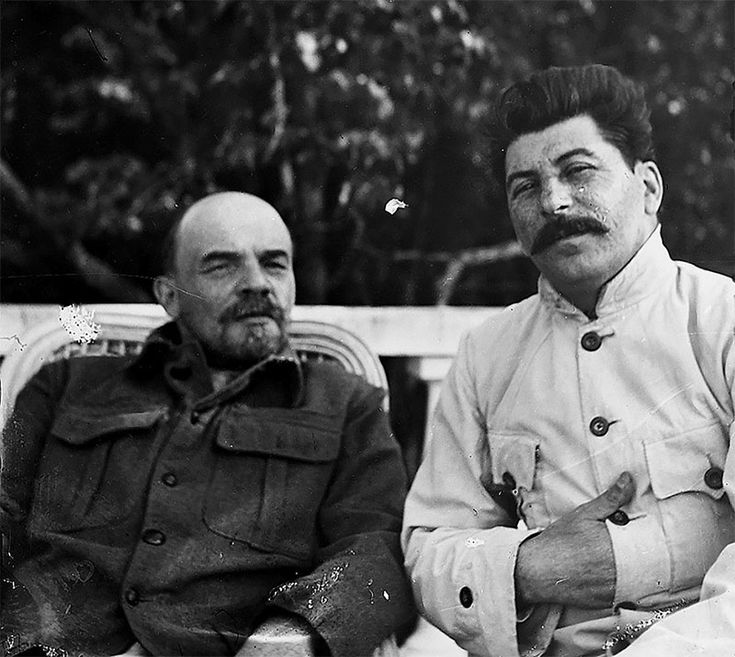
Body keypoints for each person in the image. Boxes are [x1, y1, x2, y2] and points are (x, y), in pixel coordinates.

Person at [402, 64, 735, 657]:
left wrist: (630, 561)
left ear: (649, 188)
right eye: (524, 186)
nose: (553, 201)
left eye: (578, 171)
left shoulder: (721, 320)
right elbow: (430, 543)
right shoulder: (486, 356)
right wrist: (524, 567)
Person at [1, 191, 415, 656]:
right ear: (169, 296)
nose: (257, 283)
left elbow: (376, 550)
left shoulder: (346, 404)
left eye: (275, 264)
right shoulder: (66, 383)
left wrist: (292, 634)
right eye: (223, 265)